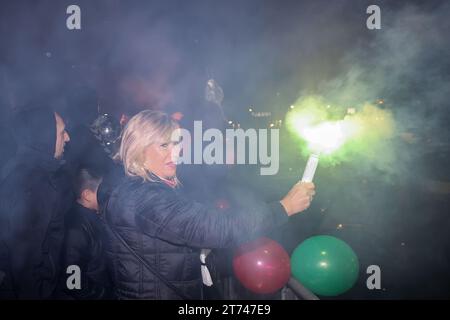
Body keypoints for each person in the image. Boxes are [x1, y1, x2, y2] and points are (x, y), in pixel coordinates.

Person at [104, 110, 315, 299]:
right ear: (140, 148)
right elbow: (215, 228)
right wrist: (284, 207)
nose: (175, 152)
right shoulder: (145, 195)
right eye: (164, 145)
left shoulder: (143, 187)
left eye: (177, 143)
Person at [0, 106, 72, 299]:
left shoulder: (18, 167)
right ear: (44, 136)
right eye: (62, 132)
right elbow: (25, 263)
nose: (67, 138)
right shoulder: (35, 183)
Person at [60, 167, 114, 299]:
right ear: (87, 195)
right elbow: (72, 282)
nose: (106, 194)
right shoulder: (75, 228)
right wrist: (101, 295)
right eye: (100, 191)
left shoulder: (94, 216)